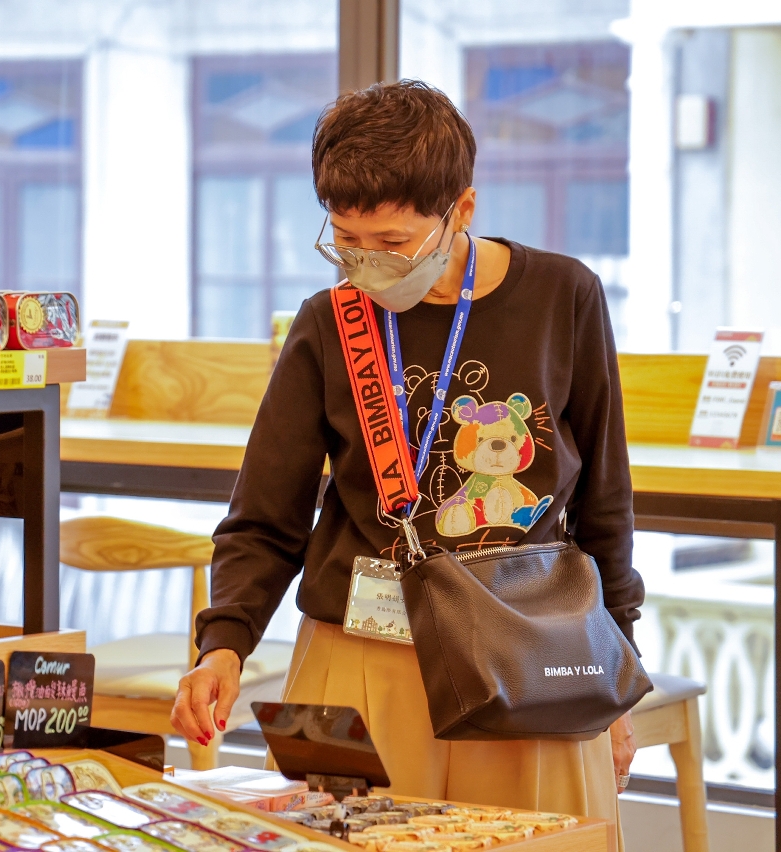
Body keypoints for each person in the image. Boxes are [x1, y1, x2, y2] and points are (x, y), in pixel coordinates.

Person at [170, 80, 643, 835]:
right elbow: (264, 513)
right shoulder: (329, 322)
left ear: (462, 209)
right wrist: (222, 646)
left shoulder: (564, 296)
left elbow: (605, 502)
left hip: (529, 647)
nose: (366, 265)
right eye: (345, 240)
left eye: (392, 243)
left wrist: (616, 672)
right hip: (363, 645)